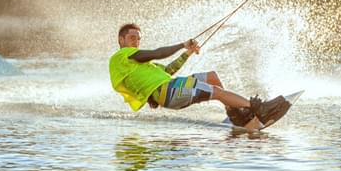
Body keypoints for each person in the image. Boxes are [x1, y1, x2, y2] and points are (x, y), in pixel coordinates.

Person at [108, 23, 289, 127]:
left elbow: (168, 70)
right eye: (132, 38)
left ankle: (236, 115)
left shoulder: (141, 64)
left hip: (172, 86)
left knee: (212, 77)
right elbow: (157, 52)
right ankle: (257, 108)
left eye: (138, 39)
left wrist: (187, 53)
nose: (136, 42)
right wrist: (182, 45)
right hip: (167, 92)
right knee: (215, 91)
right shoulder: (121, 56)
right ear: (121, 40)